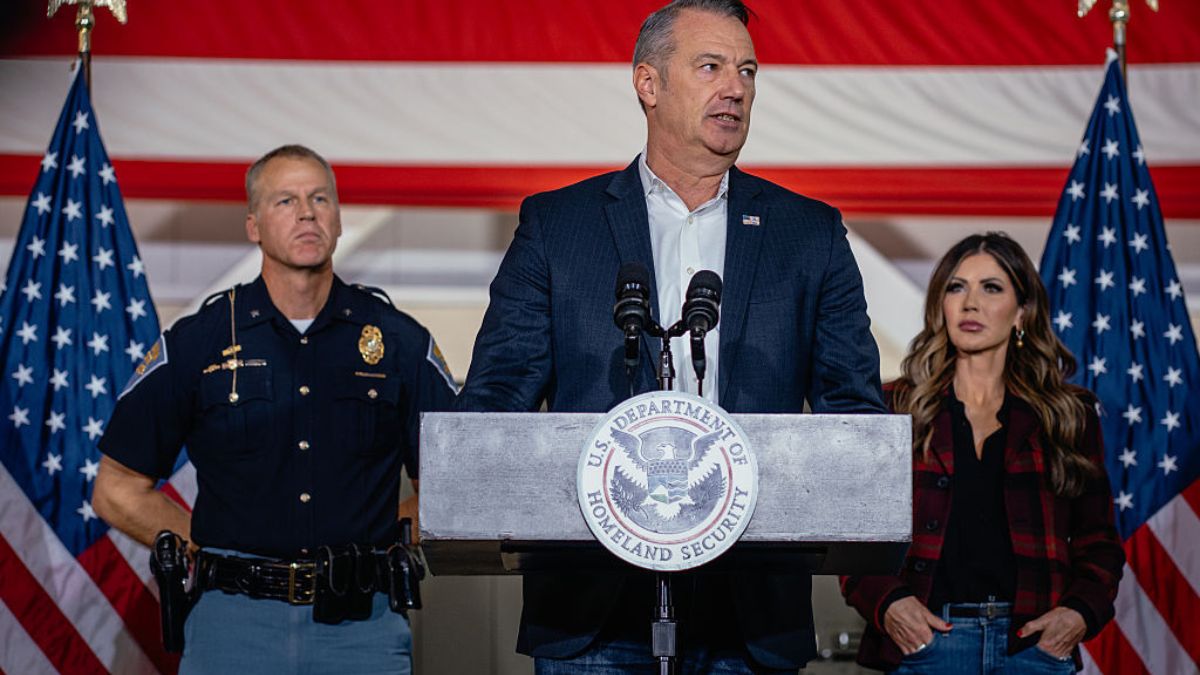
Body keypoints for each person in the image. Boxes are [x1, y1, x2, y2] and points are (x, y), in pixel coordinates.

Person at [456, 1, 886, 671]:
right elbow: (495, 403)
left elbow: (853, 414)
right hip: (592, 611)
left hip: (748, 613)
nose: (736, 88)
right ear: (648, 84)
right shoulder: (558, 226)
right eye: (711, 66)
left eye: (747, 71)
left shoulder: (809, 234)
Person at [92, 144, 458, 674]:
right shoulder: (199, 341)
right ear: (253, 226)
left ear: (338, 221)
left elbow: (454, 485)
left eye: (320, 199)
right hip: (232, 624)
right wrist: (208, 545)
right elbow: (116, 488)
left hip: (361, 625)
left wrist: (381, 536)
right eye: (285, 201)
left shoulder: (398, 341)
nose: (307, 213)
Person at [840, 232, 1125, 673]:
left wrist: (1079, 613)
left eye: (991, 288)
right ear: (941, 305)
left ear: (1022, 312)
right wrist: (889, 603)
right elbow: (853, 533)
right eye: (957, 287)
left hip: (1033, 649)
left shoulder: (1068, 413)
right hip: (925, 646)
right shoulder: (893, 406)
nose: (970, 303)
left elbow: (1099, 541)